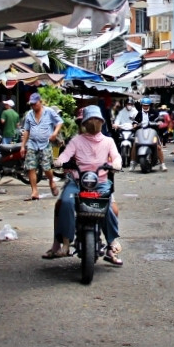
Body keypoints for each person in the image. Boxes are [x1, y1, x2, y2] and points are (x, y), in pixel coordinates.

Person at [46, 105, 123, 264]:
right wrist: (60, 162)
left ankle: (111, 242)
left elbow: (116, 157)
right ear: (84, 123)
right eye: (90, 120)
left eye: (97, 120)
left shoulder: (108, 141)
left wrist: (116, 164)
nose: (93, 123)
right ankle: (66, 242)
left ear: (102, 122)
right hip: (77, 182)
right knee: (66, 202)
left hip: (100, 182)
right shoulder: (76, 140)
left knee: (108, 205)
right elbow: (65, 156)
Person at [20, 92, 63, 200]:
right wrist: (22, 146)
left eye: (35, 104)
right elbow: (27, 130)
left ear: (40, 102)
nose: (33, 106)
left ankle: (51, 181)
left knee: (46, 167)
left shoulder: (49, 112)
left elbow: (59, 122)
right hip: (32, 144)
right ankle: (34, 191)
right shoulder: (29, 114)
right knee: (31, 167)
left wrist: (54, 133)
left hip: (45, 144)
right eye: (32, 104)